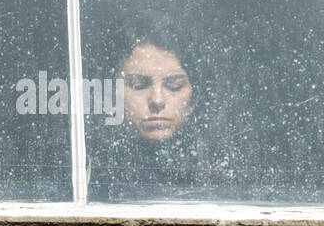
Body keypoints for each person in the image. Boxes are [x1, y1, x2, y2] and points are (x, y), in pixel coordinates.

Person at [88, 14, 230, 202]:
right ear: (110, 93)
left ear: (194, 99)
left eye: (174, 85)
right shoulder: (86, 168)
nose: (157, 100)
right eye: (138, 84)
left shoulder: (224, 169)